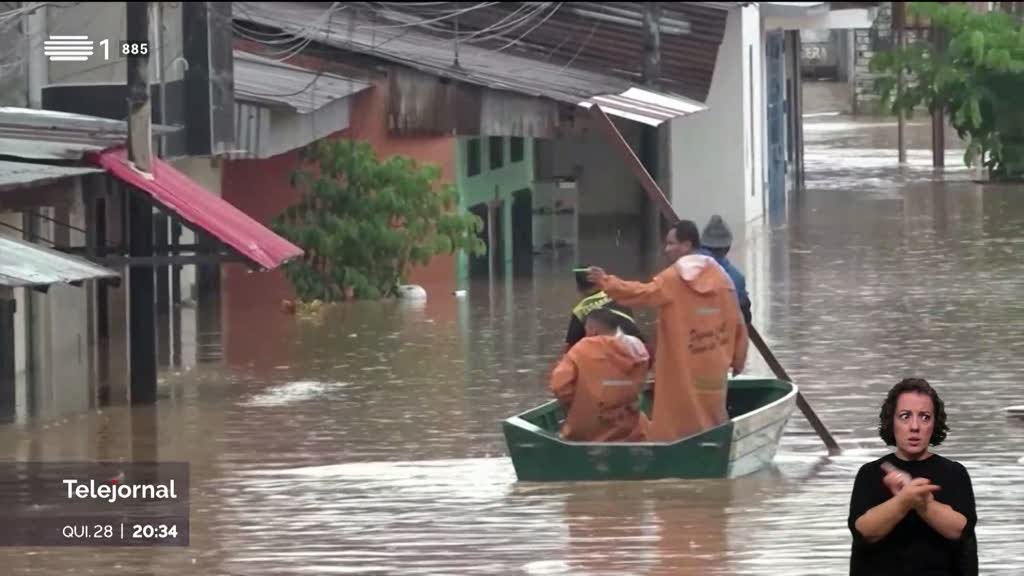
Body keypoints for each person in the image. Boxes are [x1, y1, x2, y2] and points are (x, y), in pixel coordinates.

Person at [587, 220, 748, 442]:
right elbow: (738, 323)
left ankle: (674, 457)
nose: (666, 249)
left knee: (677, 423)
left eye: (671, 244)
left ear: (686, 245)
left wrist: (606, 281)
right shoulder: (724, 280)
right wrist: (738, 360)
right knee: (711, 418)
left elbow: (639, 294)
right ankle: (715, 452)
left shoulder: (672, 279)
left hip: (681, 369)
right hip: (713, 368)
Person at [848, 378, 978, 576]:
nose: (915, 426)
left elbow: (960, 531)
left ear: (935, 424)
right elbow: (864, 532)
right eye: (905, 416)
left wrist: (920, 501)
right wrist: (903, 501)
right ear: (891, 421)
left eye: (925, 417)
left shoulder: (954, 473)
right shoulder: (870, 473)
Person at [548, 308, 651, 442]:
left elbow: (559, 387)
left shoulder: (582, 348)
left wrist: (578, 403)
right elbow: (640, 384)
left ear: (592, 330)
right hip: (631, 432)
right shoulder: (638, 347)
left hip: (588, 434)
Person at [565, 268, 642, 352]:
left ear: (578, 289)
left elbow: (570, 347)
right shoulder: (619, 295)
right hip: (638, 348)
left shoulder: (580, 310)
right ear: (599, 282)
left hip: (609, 354)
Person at [701, 215, 752, 325]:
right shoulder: (735, 278)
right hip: (722, 337)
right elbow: (746, 318)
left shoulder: (685, 268)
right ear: (727, 247)